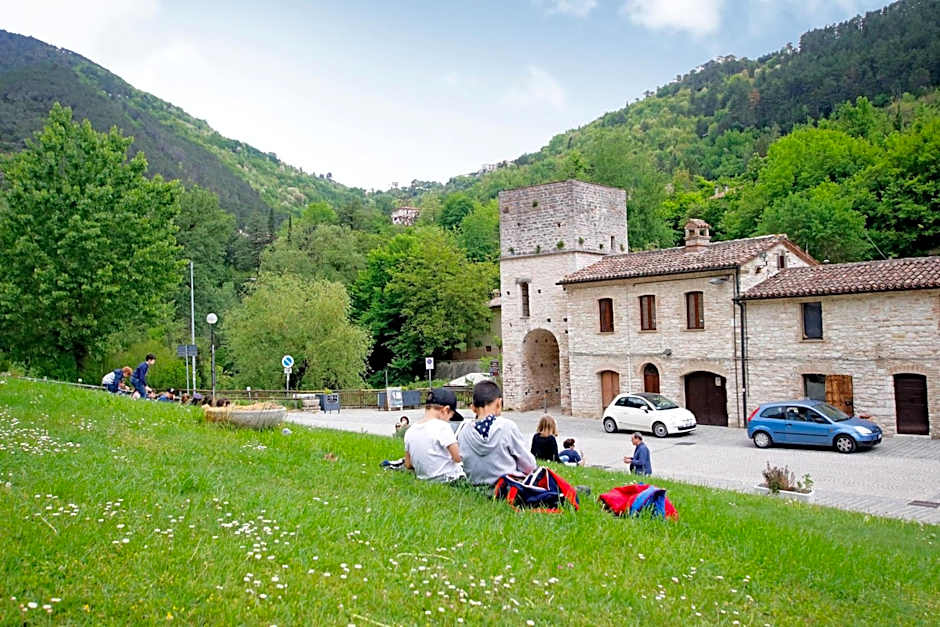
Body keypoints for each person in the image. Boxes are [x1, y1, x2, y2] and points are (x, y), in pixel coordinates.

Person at [457, 381, 536, 486]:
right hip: (506, 488)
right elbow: (529, 466)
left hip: (475, 486)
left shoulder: (463, 431)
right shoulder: (507, 426)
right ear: (499, 403)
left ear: (473, 408)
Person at [403, 389, 465, 483]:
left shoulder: (410, 431)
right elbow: (458, 457)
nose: (449, 420)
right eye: (450, 417)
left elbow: (408, 464)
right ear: (446, 410)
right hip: (448, 478)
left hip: (423, 479)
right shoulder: (443, 427)